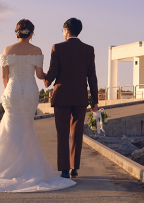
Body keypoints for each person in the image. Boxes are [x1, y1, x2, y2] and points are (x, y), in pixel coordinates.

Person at [0, 19, 75, 193]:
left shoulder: (8, 50)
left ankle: (2, 167)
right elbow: (40, 74)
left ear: (17, 32)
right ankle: (26, 166)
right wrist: (48, 78)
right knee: (27, 127)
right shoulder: (36, 51)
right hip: (29, 92)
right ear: (32, 33)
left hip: (12, 91)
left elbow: (4, 77)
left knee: (9, 129)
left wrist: (11, 91)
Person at [43, 17, 99, 178]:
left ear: (67, 30)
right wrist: (94, 100)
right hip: (80, 97)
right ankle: (75, 167)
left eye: (62, 30)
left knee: (62, 133)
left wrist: (45, 80)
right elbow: (92, 77)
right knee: (77, 132)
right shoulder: (89, 49)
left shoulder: (57, 48)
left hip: (61, 96)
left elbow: (53, 72)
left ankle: (64, 169)